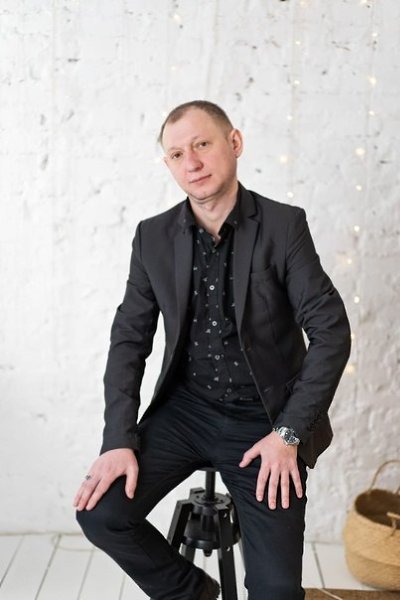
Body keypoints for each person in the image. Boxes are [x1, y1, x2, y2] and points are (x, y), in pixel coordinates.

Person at [74, 100, 351, 600]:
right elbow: (129, 340)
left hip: (266, 422)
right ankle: (195, 595)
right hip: (187, 412)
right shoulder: (152, 237)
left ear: (234, 143)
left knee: (276, 591)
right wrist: (117, 438)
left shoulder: (284, 225)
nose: (192, 162)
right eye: (177, 154)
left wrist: (288, 433)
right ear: (168, 164)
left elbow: (331, 331)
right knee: (101, 513)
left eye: (202, 144)